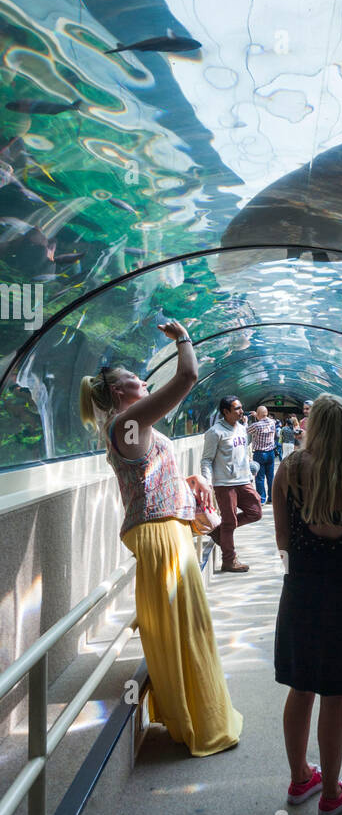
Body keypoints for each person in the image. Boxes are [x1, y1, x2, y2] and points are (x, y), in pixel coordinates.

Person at [78, 322, 243, 757]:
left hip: (164, 529)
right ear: (118, 392)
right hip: (160, 536)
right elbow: (187, 377)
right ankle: (200, 724)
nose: (141, 378)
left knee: (185, 627)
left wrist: (186, 479)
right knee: (185, 629)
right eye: (133, 376)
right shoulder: (128, 420)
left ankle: (190, 714)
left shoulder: (130, 426)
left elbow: (146, 472)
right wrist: (184, 339)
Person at [273, 394, 342, 815]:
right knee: (334, 694)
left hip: (302, 589)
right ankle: (332, 793)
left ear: (313, 426)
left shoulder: (289, 470)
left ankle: (301, 778)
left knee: (300, 687)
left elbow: (283, 540)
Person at [201, 396, 262, 573]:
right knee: (230, 521)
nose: (241, 411)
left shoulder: (242, 429)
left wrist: (250, 473)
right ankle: (229, 560)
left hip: (244, 480)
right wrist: (207, 482)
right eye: (236, 409)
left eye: (241, 407)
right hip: (225, 484)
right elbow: (206, 460)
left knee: (255, 512)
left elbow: (243, 455)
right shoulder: (215, 432)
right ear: (225, 412)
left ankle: (218, 533)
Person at [248, 404, 278, 504]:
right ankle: (272, 498)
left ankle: (261, 499)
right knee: (270, 476)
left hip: (259, 454)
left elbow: (245, 431)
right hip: (271, 453)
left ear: (259, 414)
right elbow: (263, 417)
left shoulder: (256, 425)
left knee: (259, 477)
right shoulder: (273, 422)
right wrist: (258, 415)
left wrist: (245, 422)